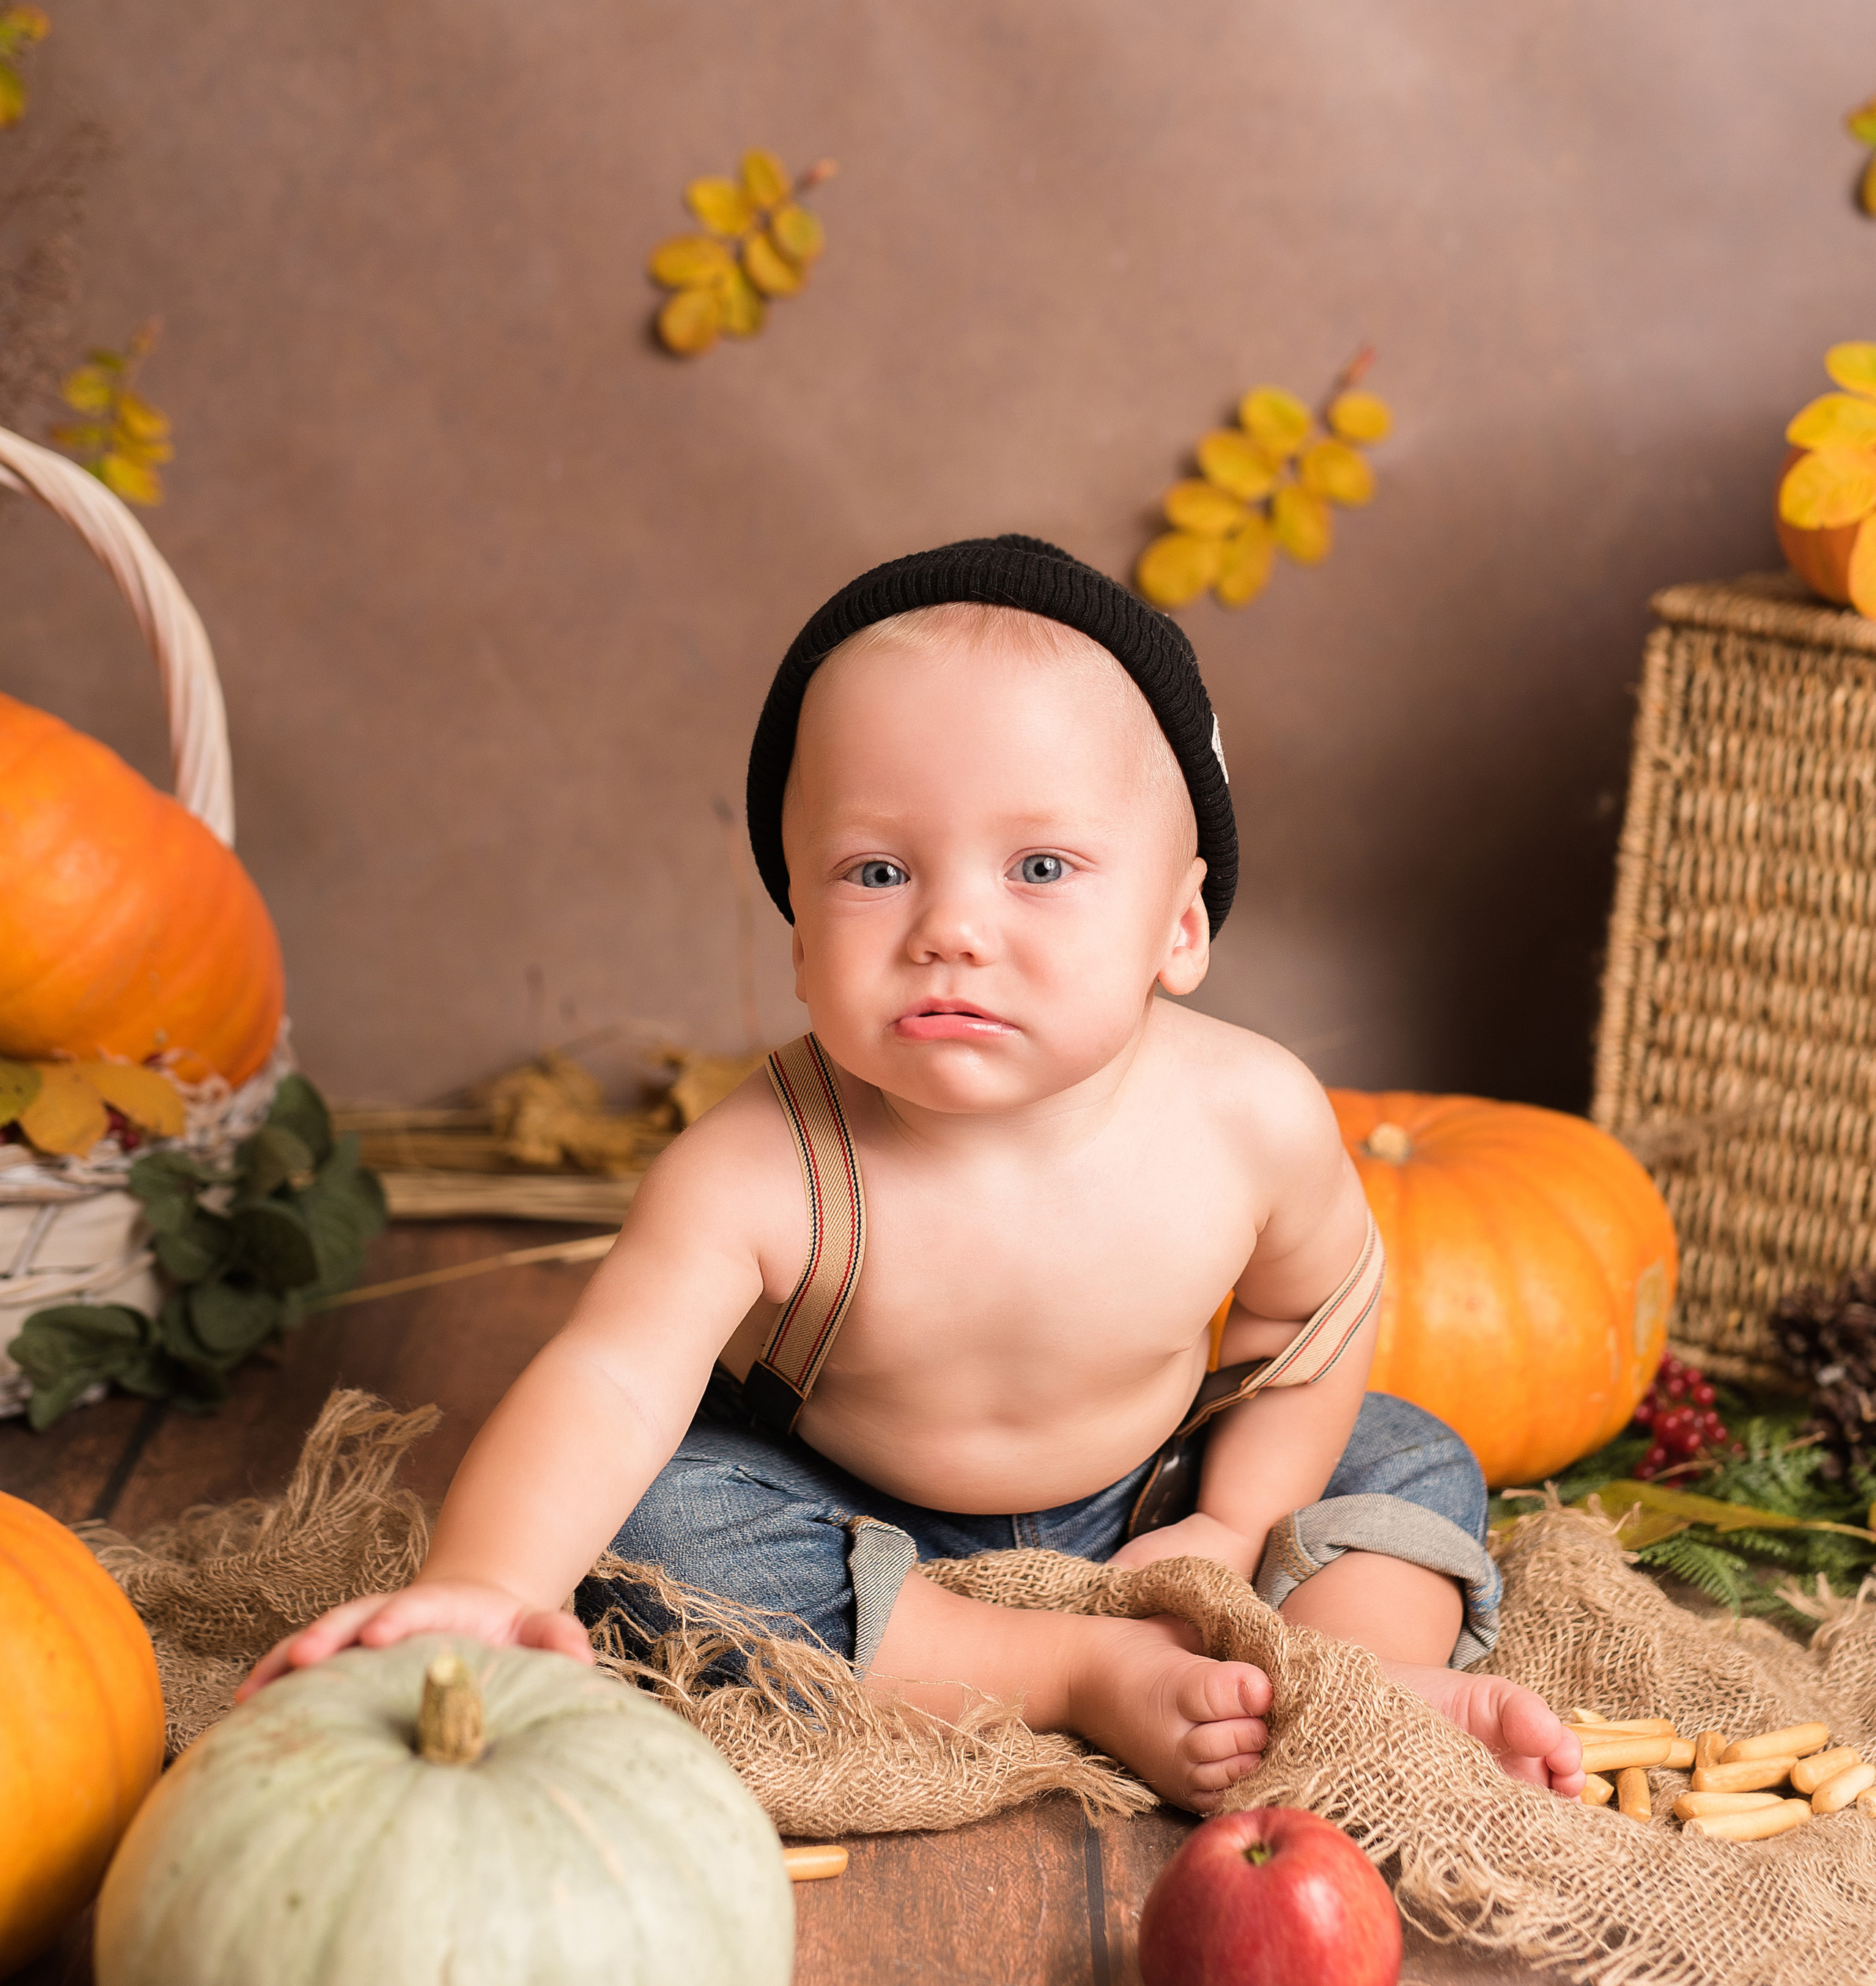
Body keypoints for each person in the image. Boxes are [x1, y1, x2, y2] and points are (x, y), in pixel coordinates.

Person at [243, 538, 1582, 1809]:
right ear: (799, 937)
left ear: (1180, 922)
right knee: (652, 1532)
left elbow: (1314, 1315)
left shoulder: (1249, 1113)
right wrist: (487, 1580)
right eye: (877, 870)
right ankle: (1074, 1675)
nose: (950, 927)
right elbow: (612, 1377)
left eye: (1041, 866)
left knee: (1404, 1452)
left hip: (1158, 1498)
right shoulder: (761, 1164)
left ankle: (1356, 1682)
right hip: (863, 1528)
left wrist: (1237, 1517)